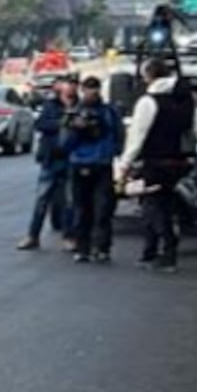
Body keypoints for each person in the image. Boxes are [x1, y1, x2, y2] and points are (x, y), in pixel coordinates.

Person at [118, 58, 196, 273]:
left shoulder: (149, 102)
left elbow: (136, 138)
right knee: (163, 204)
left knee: (152, 207)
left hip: (155, 162)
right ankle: (149, 252)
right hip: (180, 161)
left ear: (148, 76)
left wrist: (123, 167)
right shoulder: (186, 99)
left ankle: (167, 251)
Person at [62, 76, 122, 263]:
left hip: (101, 164)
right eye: (88, 88)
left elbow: (118, 137)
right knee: (81, 209)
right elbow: (64, 143)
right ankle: (83, 247)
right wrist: (76, 129)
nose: (92, 92)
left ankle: (102, 247)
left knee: (103, 209)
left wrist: (110, 152)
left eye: (95, 88)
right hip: (80, 164)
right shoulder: (74, 113)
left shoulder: (108, 112)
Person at [17, 77, 77, 251]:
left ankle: (69, 236)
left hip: (71, 159)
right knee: (42, 199)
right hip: (51, 159)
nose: (68, 93)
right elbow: (41, 124)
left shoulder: (80, 106)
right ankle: (32, 235)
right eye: (66, 89)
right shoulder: (51, 105)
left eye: (71, 90)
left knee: (69, 201)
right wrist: (62, 122)